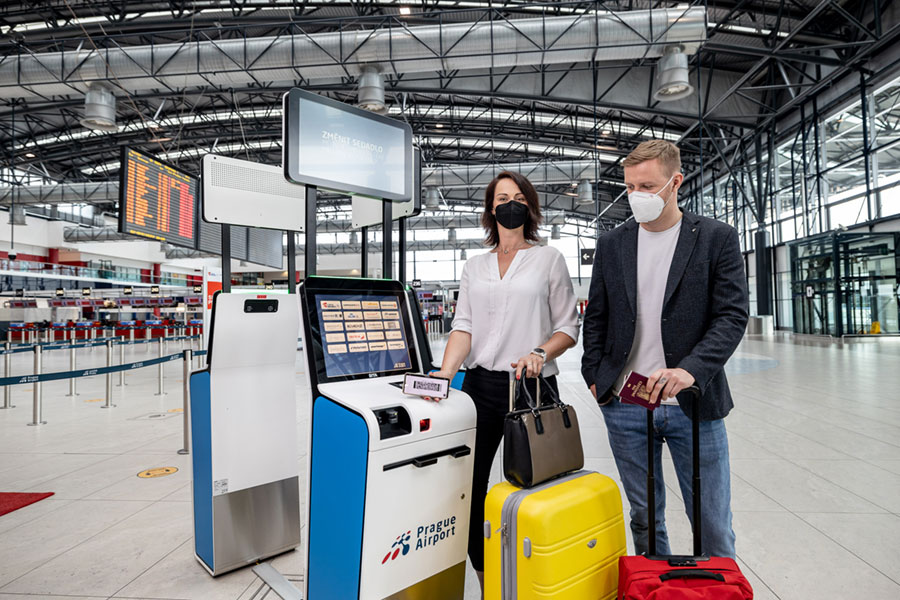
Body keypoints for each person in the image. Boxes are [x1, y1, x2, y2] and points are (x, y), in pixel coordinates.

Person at [581, 140, 749, 558]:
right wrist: (594, 377)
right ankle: (655, 584)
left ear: (676, 183)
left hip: (693, 404)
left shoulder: (716, 239)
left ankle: (718, 587)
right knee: (644, 515)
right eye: (630, 186)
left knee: (711, 520)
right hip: (626, 403)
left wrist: (690, 370)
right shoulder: (613, 243)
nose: (637, 195)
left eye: (648, 186)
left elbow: (731, 316)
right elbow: (596, 316)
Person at [429, 171, 579, 594]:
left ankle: (536, 576)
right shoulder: (474, 265)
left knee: (536, 486)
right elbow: (463, 325)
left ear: (528, 207)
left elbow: (568, 327)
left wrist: (540, 352)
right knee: (471, 487)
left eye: (517, 197)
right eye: (501, 197)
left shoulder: (548, 258)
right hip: (481, 386)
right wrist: (445, 371)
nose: (509, 203)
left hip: (533, 387)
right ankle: (485, 578)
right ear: (490, 208)